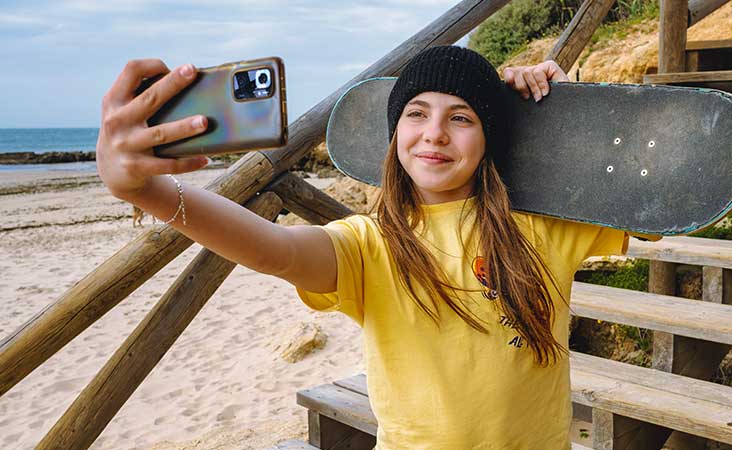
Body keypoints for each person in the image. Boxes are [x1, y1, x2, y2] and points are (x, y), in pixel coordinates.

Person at [97, 46, 644, 450]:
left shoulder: (545, 226)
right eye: (416, 113)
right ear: (394, 132)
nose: (434, 133)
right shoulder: (370, 243)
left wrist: (570, 113)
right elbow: (275, 250)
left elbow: (663, 210)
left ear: (489, 139)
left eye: (461, 118)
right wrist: (146, 191)